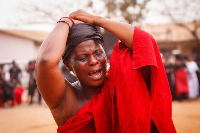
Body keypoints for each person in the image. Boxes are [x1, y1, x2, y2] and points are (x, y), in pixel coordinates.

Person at [35, 9, 176, 132]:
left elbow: (145, 42)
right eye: (83, 57)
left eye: (98, 53)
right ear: (68, 65)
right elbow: (46, 62)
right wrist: (66, 21)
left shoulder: (120, 82)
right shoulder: (66, 99)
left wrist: (98, 20)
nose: (94, 61)